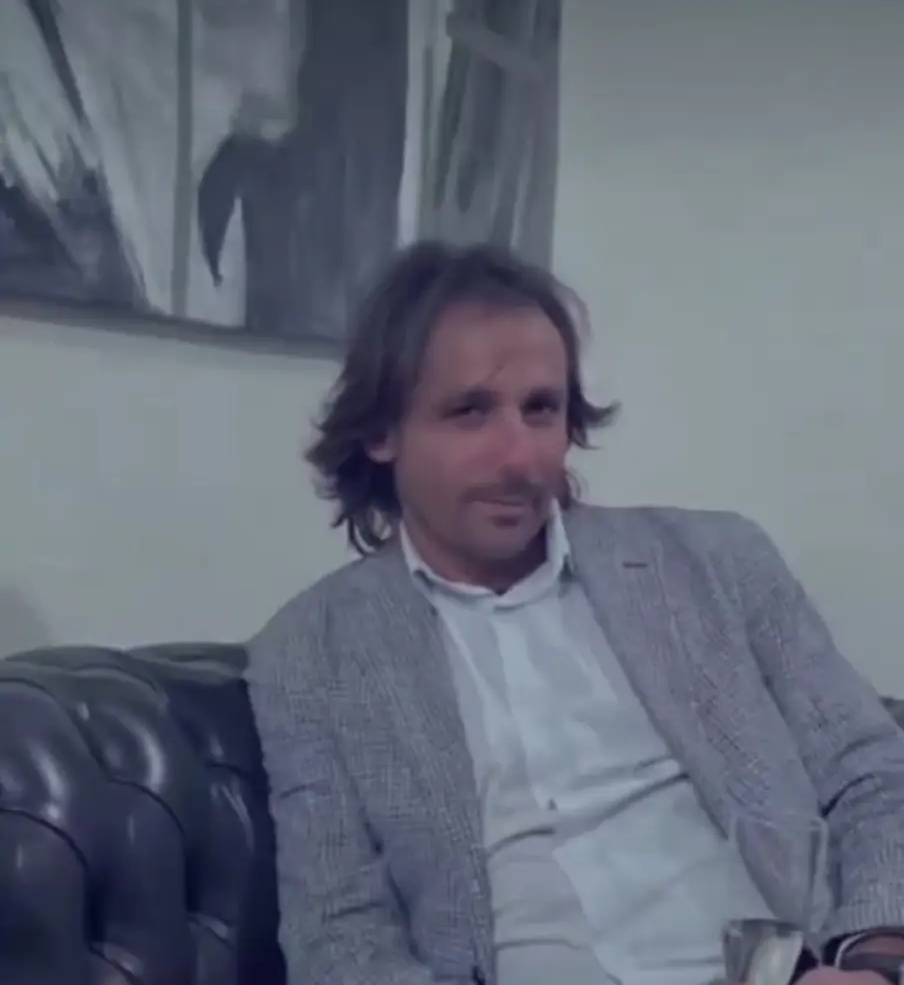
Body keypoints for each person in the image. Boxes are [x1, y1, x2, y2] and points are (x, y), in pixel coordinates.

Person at [245, 241, 904, 985]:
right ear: (381, 431)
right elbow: (340, 935)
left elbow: (874, 771)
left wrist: (876, 958)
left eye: (541, 410)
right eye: (469, 412)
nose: (519, 457)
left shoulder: (717, 563)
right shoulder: (310, 653)